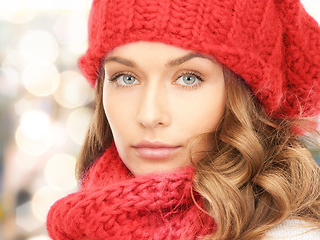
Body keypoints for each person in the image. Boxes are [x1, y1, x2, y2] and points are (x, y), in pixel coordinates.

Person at [47, 0, 320, 239]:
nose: (150, 116)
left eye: (189, 78)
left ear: (247, 94)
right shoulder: (84, 222)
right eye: (126, 78)